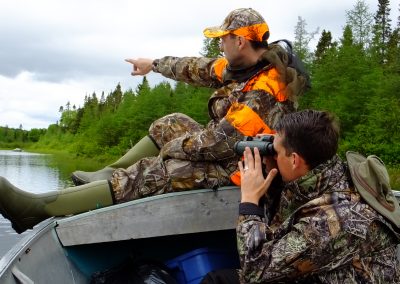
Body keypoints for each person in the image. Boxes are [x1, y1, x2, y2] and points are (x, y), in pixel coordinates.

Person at [0, 8, 308, 234]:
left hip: (245, 172)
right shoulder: (242, 66)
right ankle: (110, 174)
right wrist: (154, 65)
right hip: (231, 150)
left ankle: (35, 210)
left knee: (159, 170)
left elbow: (215, 145)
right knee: (171, 122)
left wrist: (172, 150)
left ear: (240, 41)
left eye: (223, 39)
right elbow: (196, 67)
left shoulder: (265, 90)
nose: (219, 45)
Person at [202, 110, 400, 283]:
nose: (273, 154)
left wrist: (250, 201)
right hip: (326, 274)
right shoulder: (332, 174)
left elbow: (255, 271)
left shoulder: (336, 219)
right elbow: (282, 230)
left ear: (295, 159)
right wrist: (272, 179)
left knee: (218, 280)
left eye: (276, 152)